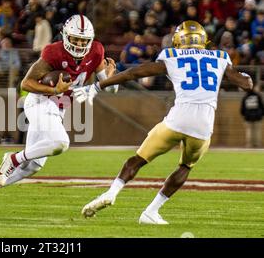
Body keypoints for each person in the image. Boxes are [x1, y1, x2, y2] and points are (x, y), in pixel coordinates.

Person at [73, 20, 253, 224]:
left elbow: (134, 73)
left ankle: (112, 192)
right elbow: (245, 83)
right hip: (203, 126)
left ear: (179, 39)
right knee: (185, 166)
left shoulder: (171, 55)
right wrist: (245, 76)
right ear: (203, 40)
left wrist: (98, 86)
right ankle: (151, 211)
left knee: (139, 159)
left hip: (177, 120)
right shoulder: (220, 57)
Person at [0, 14, 117, 211]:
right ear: (65, 36)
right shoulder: (54, 52)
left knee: (32, 166)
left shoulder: (96, 50)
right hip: (40, 101)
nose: (79, 44)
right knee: (61, 143)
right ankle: (13, 158)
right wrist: (55, 90)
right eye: (75, 39)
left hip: (58, 108)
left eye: (83, 40)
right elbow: (26, 83)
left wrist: (112, 75)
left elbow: (108, 87)